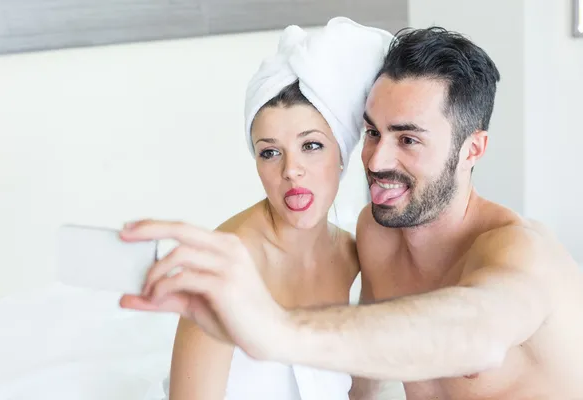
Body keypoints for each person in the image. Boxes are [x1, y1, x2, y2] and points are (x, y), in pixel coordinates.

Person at [120, 26, 583, 400]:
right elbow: (364, 377)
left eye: (408, 139)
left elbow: (476, 334)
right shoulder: (378, 235)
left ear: (472, 150)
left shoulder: (525, 255)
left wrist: (275, 330)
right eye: (372, 133)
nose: (377, 161)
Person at [124, 17, 395, 400]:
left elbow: (362, 389)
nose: (291, 170)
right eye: (270, 152)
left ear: (342, 153)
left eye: (311, 145)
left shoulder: (357, 255)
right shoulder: (224, 268)